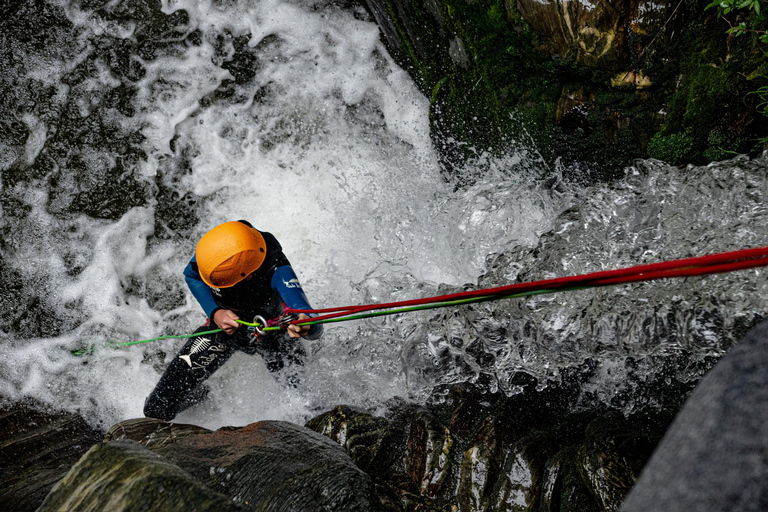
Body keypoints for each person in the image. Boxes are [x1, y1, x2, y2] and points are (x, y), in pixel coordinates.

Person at [144, 220, 322, 421]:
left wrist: (305, 326)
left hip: (274, 337)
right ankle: (202, 396)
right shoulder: (212, 255)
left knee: (308, 409)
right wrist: (216, 313)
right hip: (223, 331)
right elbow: (192, 276)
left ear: (248, 276)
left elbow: (310, 319)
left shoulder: (277, 268)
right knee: (156, 409)